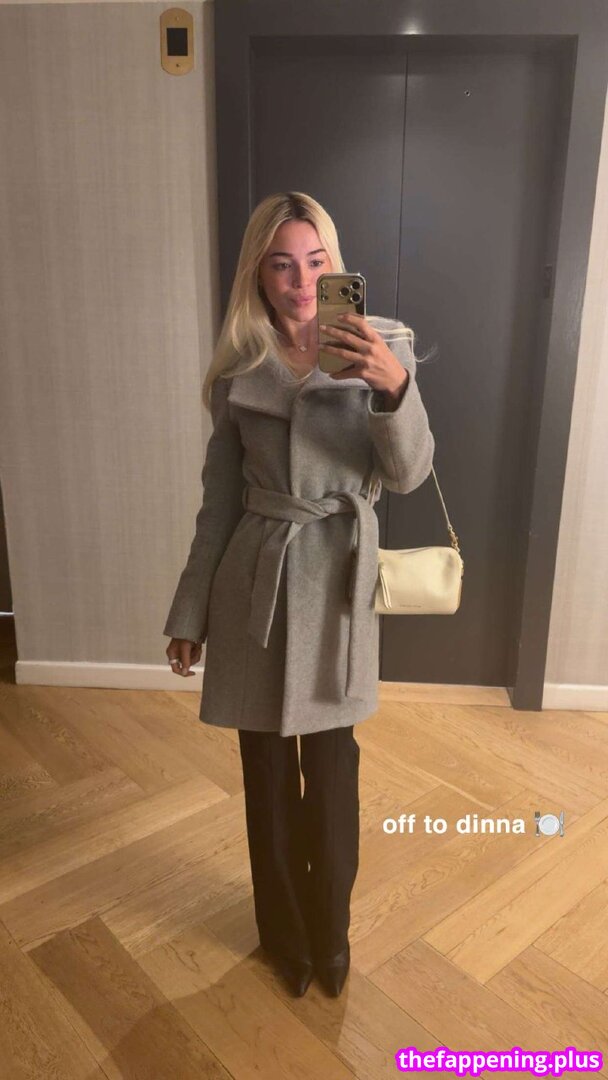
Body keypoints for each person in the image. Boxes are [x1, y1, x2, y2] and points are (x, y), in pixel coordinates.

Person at [163, 192, 435, 998]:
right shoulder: (238, 373)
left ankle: (331, 934)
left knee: (334, 771)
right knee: (266, 778)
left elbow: (409, 474)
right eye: (281, 264)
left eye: (316, 262)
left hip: (337, 586)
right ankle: (283, 933)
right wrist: (190, 614)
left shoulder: (383, 349)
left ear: (336, 263)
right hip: (256, 583)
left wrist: (393, 390)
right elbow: (218, 505)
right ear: (258, 273)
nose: (301, 281)